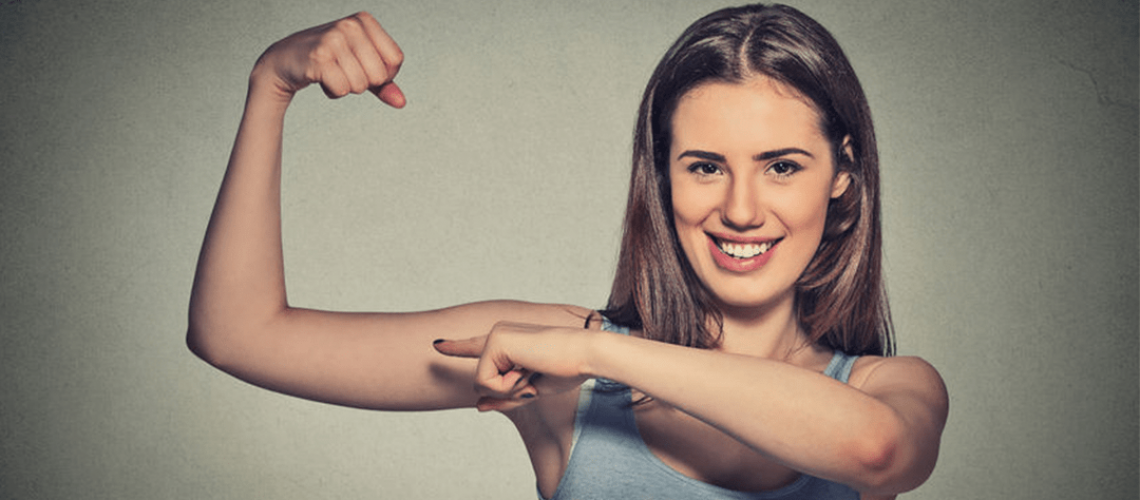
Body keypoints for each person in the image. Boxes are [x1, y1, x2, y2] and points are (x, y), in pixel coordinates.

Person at [187, 4, 948, 499]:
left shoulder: (890, 387)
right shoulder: (560, 367)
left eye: (782, 166)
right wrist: (270, 88)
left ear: (844, 173)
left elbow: (876, 451)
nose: (741, 210)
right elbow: (238, 335)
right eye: (705, 166)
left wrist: (601, 355)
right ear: (663, 179)